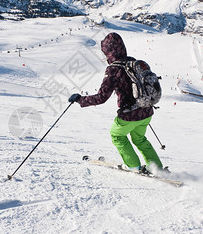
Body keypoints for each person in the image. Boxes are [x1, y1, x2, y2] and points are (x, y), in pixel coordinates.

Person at [69, 32, 163, 173]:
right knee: (140, 139)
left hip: (129, 115)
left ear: (108, 51)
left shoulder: (113, 69)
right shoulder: (133, 62)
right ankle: (156, 167)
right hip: (146, 111)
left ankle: (133, 166)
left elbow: (101, 97)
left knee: (117, 135)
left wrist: (80, 100)